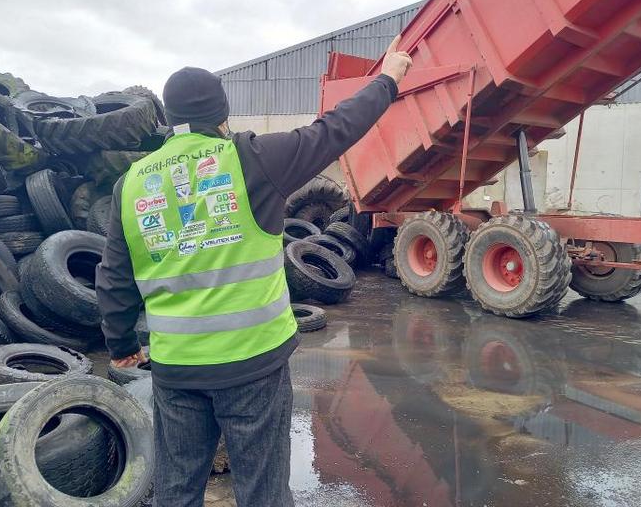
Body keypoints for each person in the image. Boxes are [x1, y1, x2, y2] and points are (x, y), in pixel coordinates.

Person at [96, 35, 412, 507]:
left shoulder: (131, 184)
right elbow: (336, 129)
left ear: (169, 120)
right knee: (262, 492)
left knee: (177, 489)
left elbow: (115, 276)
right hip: (253, 367)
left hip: (176, 368)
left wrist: (121, 345)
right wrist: (387, 80)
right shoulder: (254, 159)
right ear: (221, 117)